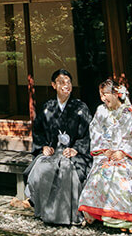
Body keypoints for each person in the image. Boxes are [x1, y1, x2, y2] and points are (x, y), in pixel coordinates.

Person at [77, 77, 132, 233]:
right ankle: (106, 215)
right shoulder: (101, 111)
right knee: (101, 173)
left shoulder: (131, 113)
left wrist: (124, 152)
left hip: (128, 157)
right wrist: (105, 151)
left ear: (116, 93)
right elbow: (95, 132)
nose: (103, 98)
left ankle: (127, 218)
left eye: (105, 94)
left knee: (121, 175)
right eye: (101, 95)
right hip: (107, 156)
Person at [23, 68, 92, 225]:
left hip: (74, 153)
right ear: (53, 85)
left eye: (68, 82)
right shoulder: (48, 107)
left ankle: (64, 215)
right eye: (61, 82)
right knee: (41, 167)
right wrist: (44, 147)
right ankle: (42, 209)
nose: (66, 85)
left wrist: (77, 149)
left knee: (67, 169)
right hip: (54, 151)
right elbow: (38, 130)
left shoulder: (80, 108)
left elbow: (90, 133)